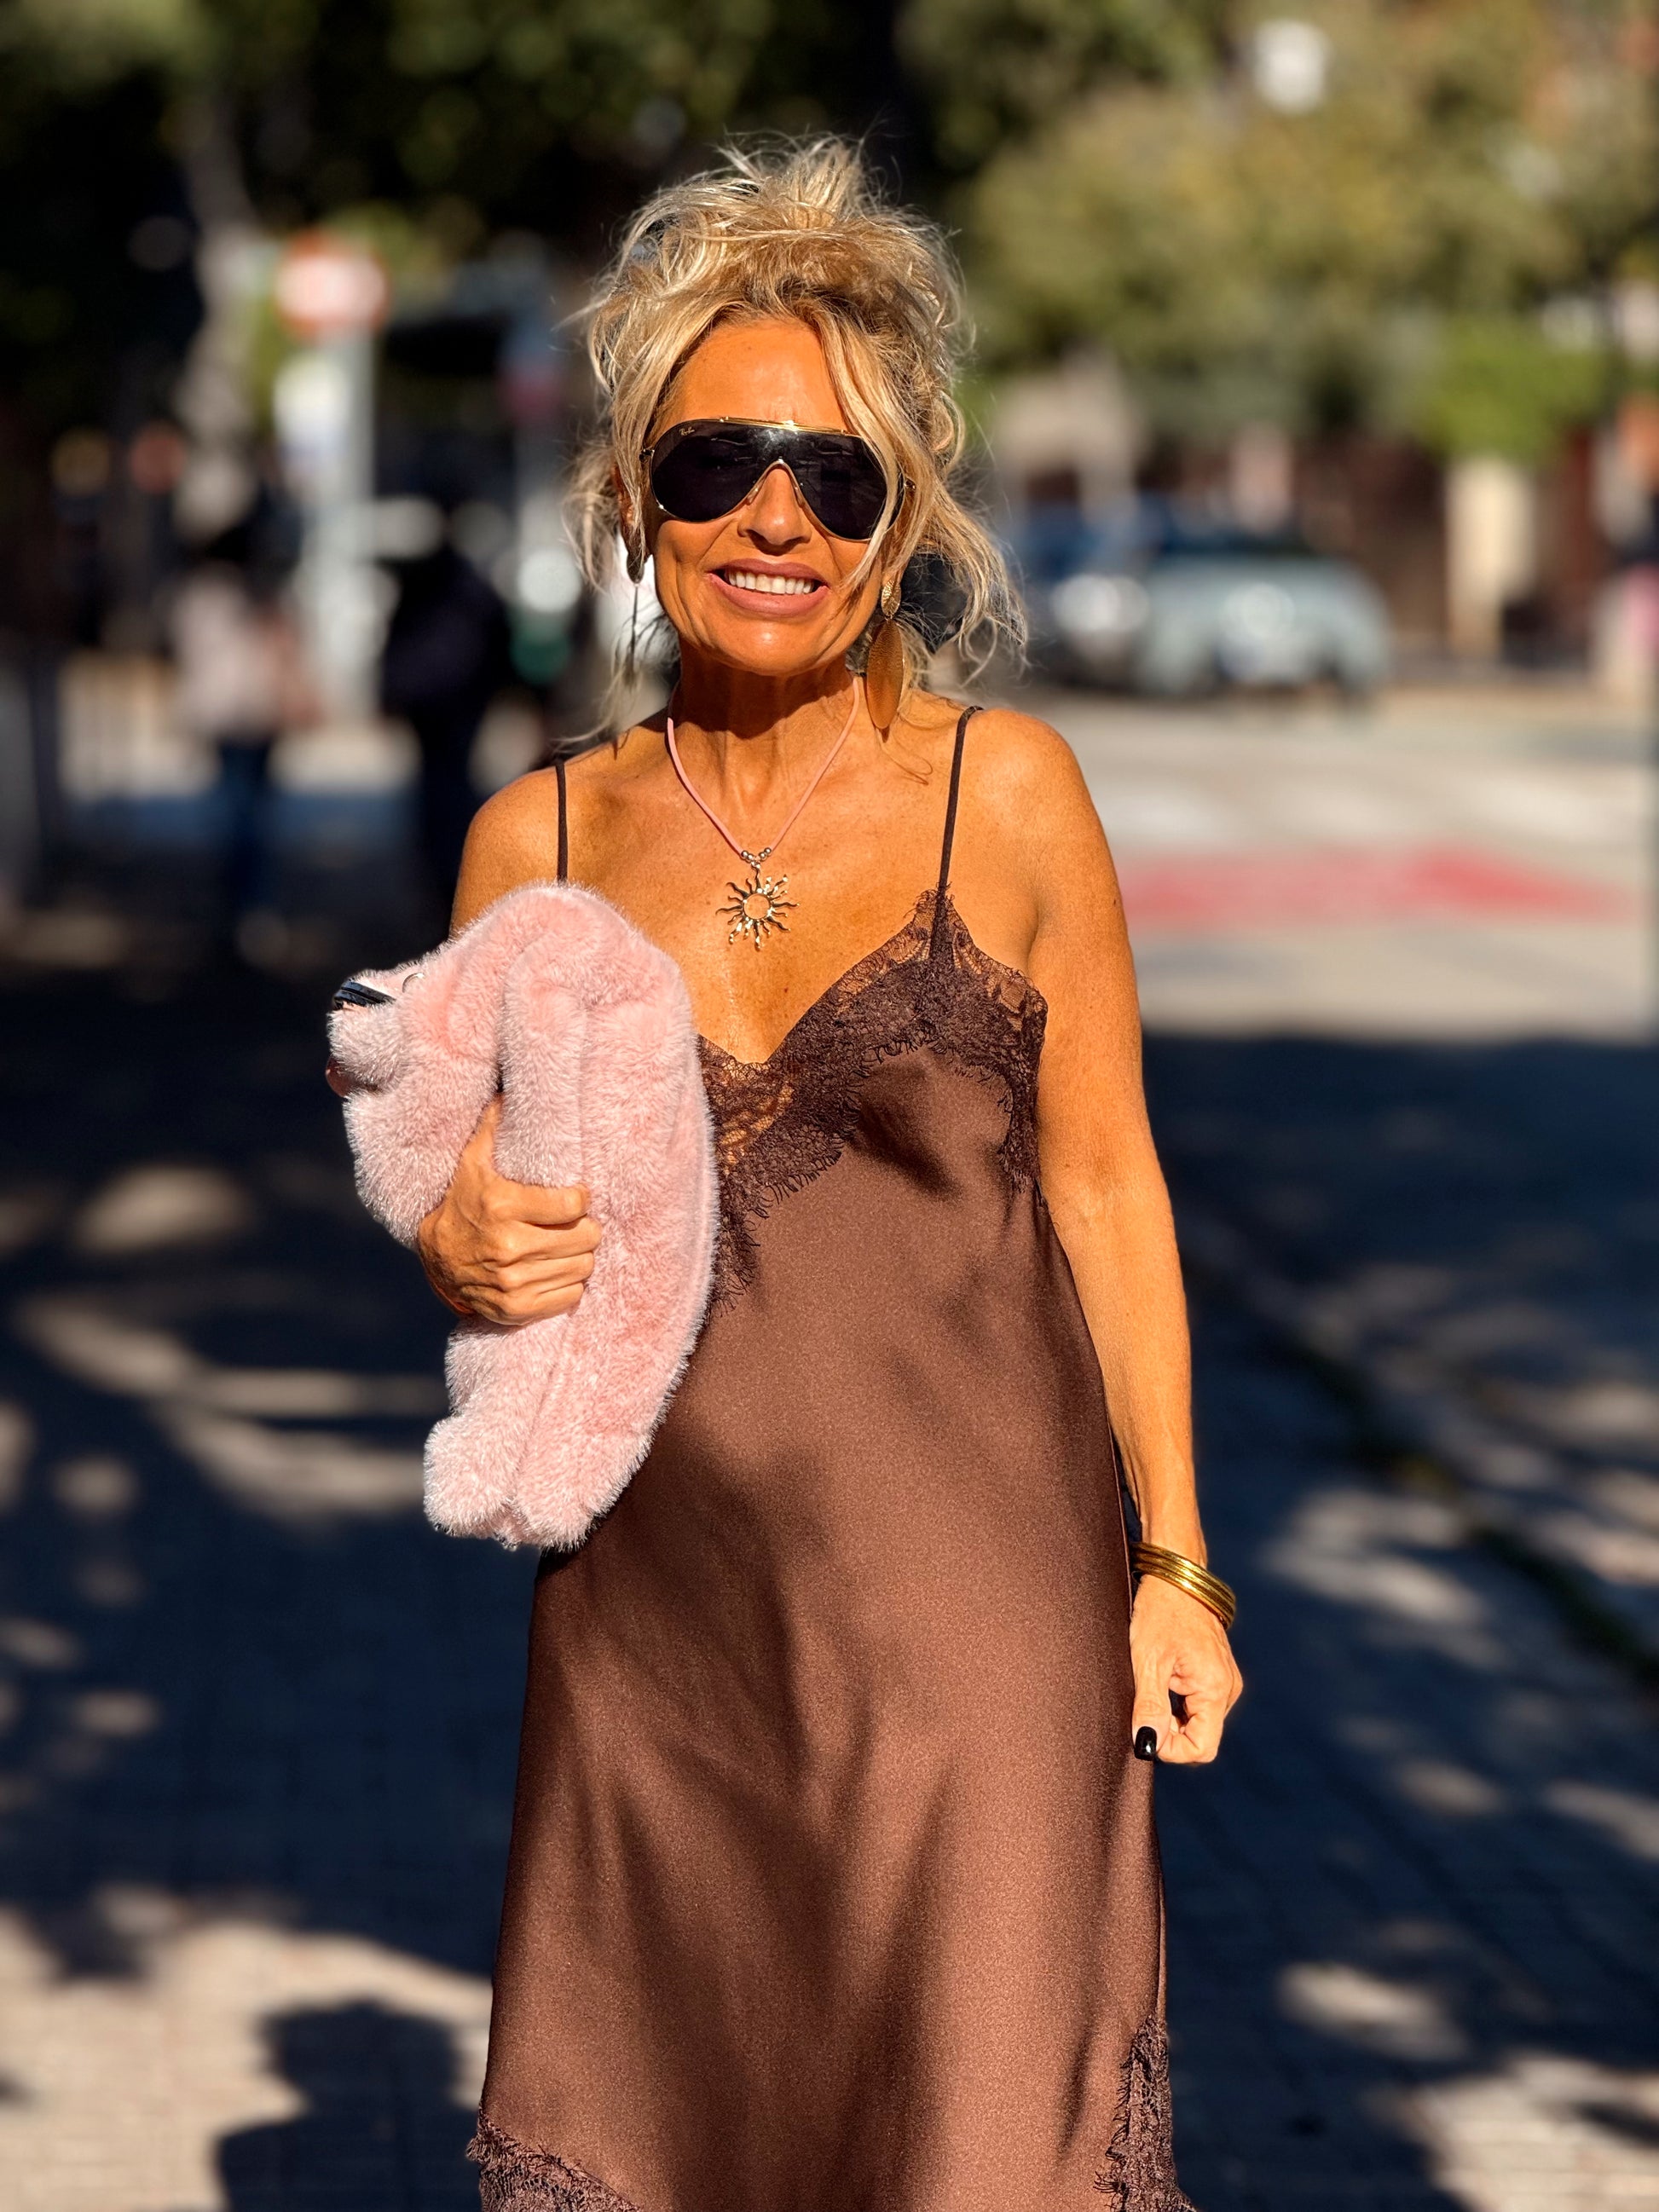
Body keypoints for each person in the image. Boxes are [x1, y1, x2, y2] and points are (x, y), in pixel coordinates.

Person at [415, 141, 1242, 2212]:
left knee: (980, 2141)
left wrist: (1176, 1560)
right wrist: (450, 1237)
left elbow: (1111, 1190)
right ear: (636, 499)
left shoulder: (1010, 795)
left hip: (982, 1638)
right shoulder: (535, 843)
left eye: (836, 477)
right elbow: (471, 1201)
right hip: (659, 1652)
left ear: (900, 523)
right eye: (716, 465)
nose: (772, 517)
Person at [170, 516, 312, 959]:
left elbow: (188, 656)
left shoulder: (197, 595)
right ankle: (253, 907)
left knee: (236, 810)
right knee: (251, 813)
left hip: (225, 716)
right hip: (255, 713)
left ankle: (240, 906)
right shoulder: (258, 593)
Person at [379, 532, 512, 919]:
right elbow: (500, 642)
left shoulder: (428, 588)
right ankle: (449, 878)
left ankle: (446, 877)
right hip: (456, 703)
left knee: (440, 789)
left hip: (436, 704)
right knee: (451, 787)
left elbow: (395, 643)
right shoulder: (473, 589)